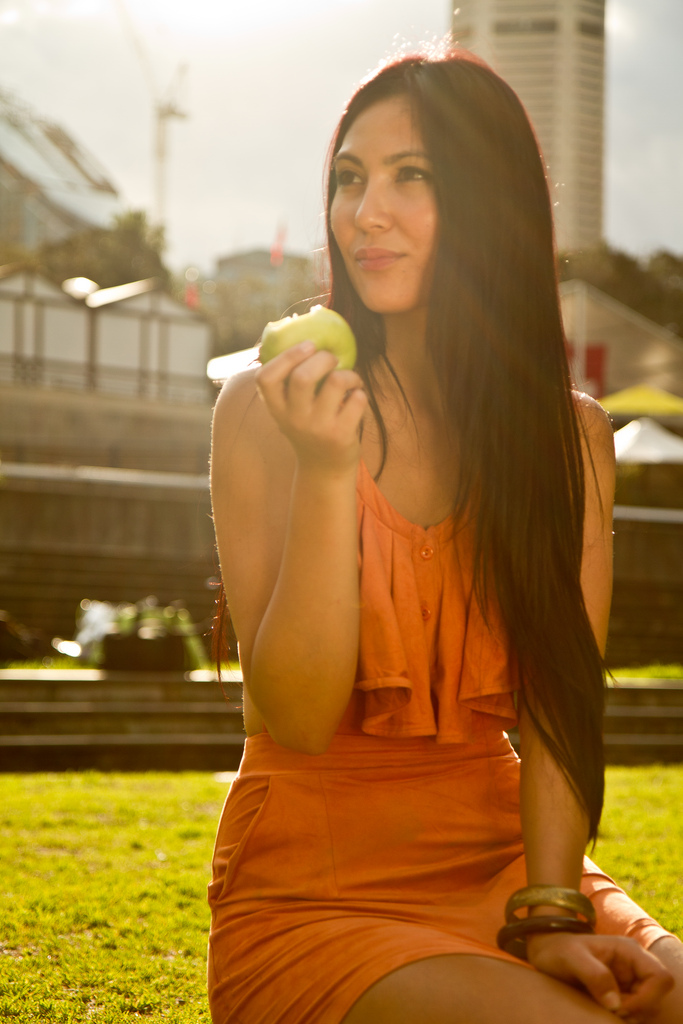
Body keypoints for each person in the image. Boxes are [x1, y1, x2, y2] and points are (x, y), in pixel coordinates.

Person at [207, 46, 683, 1024]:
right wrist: (325, 469)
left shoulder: (571, 439)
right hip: (315, 891)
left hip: (508, 861)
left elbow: (557, 703)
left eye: (408, 176)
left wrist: (549, 909)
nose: (361, 212)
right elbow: (291, 715)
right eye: (347, 178)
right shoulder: (262, 409)